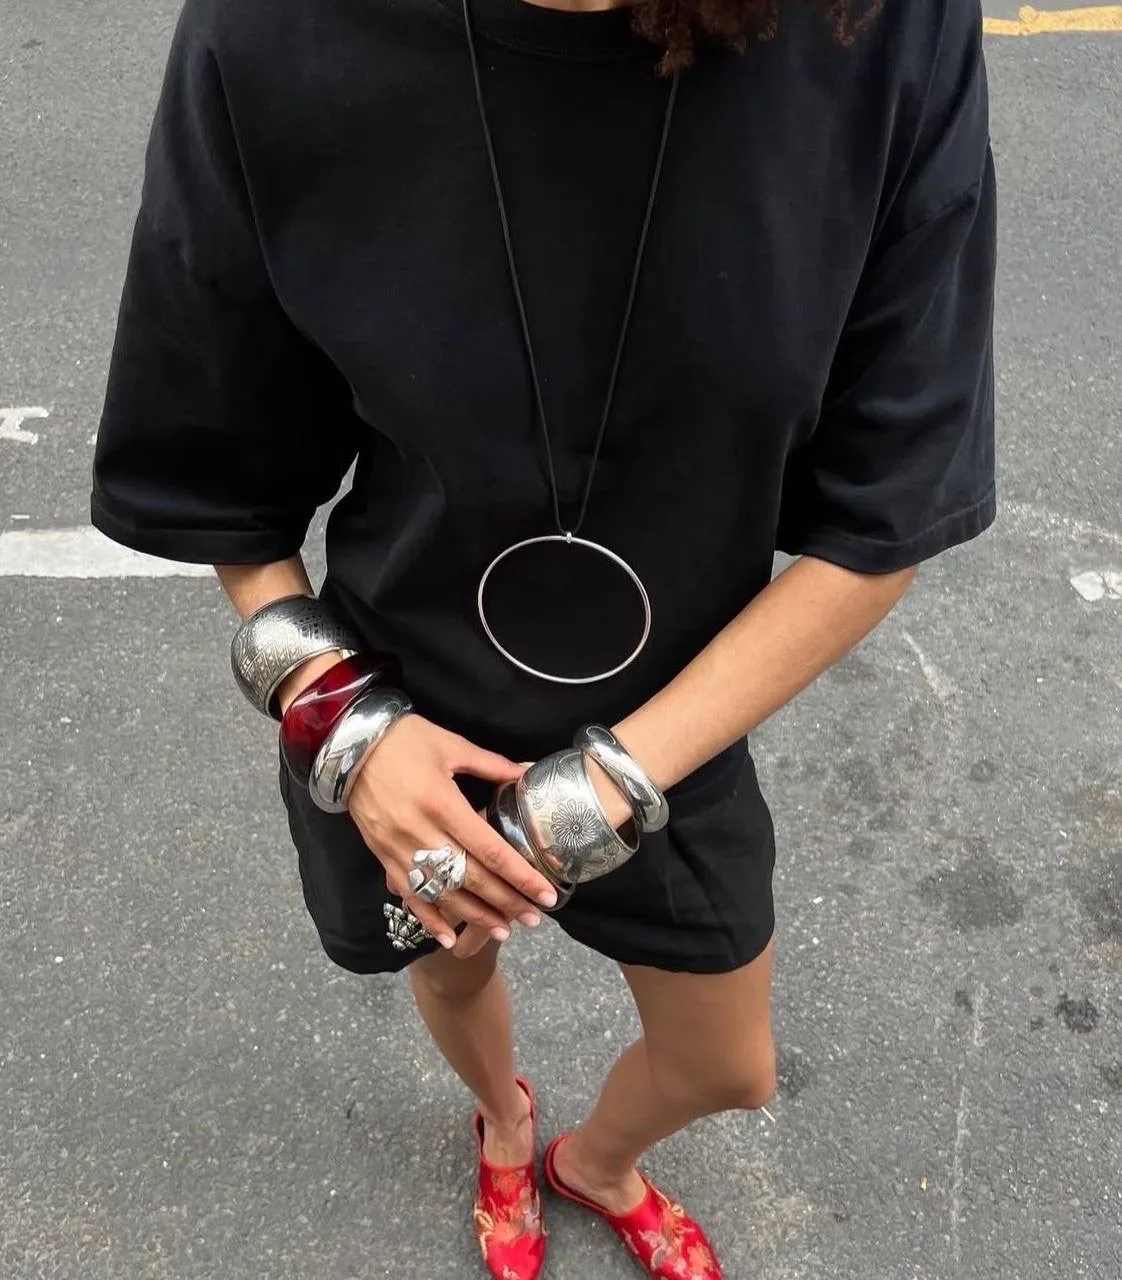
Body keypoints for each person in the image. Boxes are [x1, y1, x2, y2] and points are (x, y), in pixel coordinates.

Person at [91, 0, 996, 1273]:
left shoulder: (878, 28)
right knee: (451, 966)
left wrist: (595, 792)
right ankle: (506, 1122)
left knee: (725, 1062)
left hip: (678, 724)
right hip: (402, 715)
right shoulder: (271, 30)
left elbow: (889, 509)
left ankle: (598, 1160)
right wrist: (346, 719)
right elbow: (215, 470)